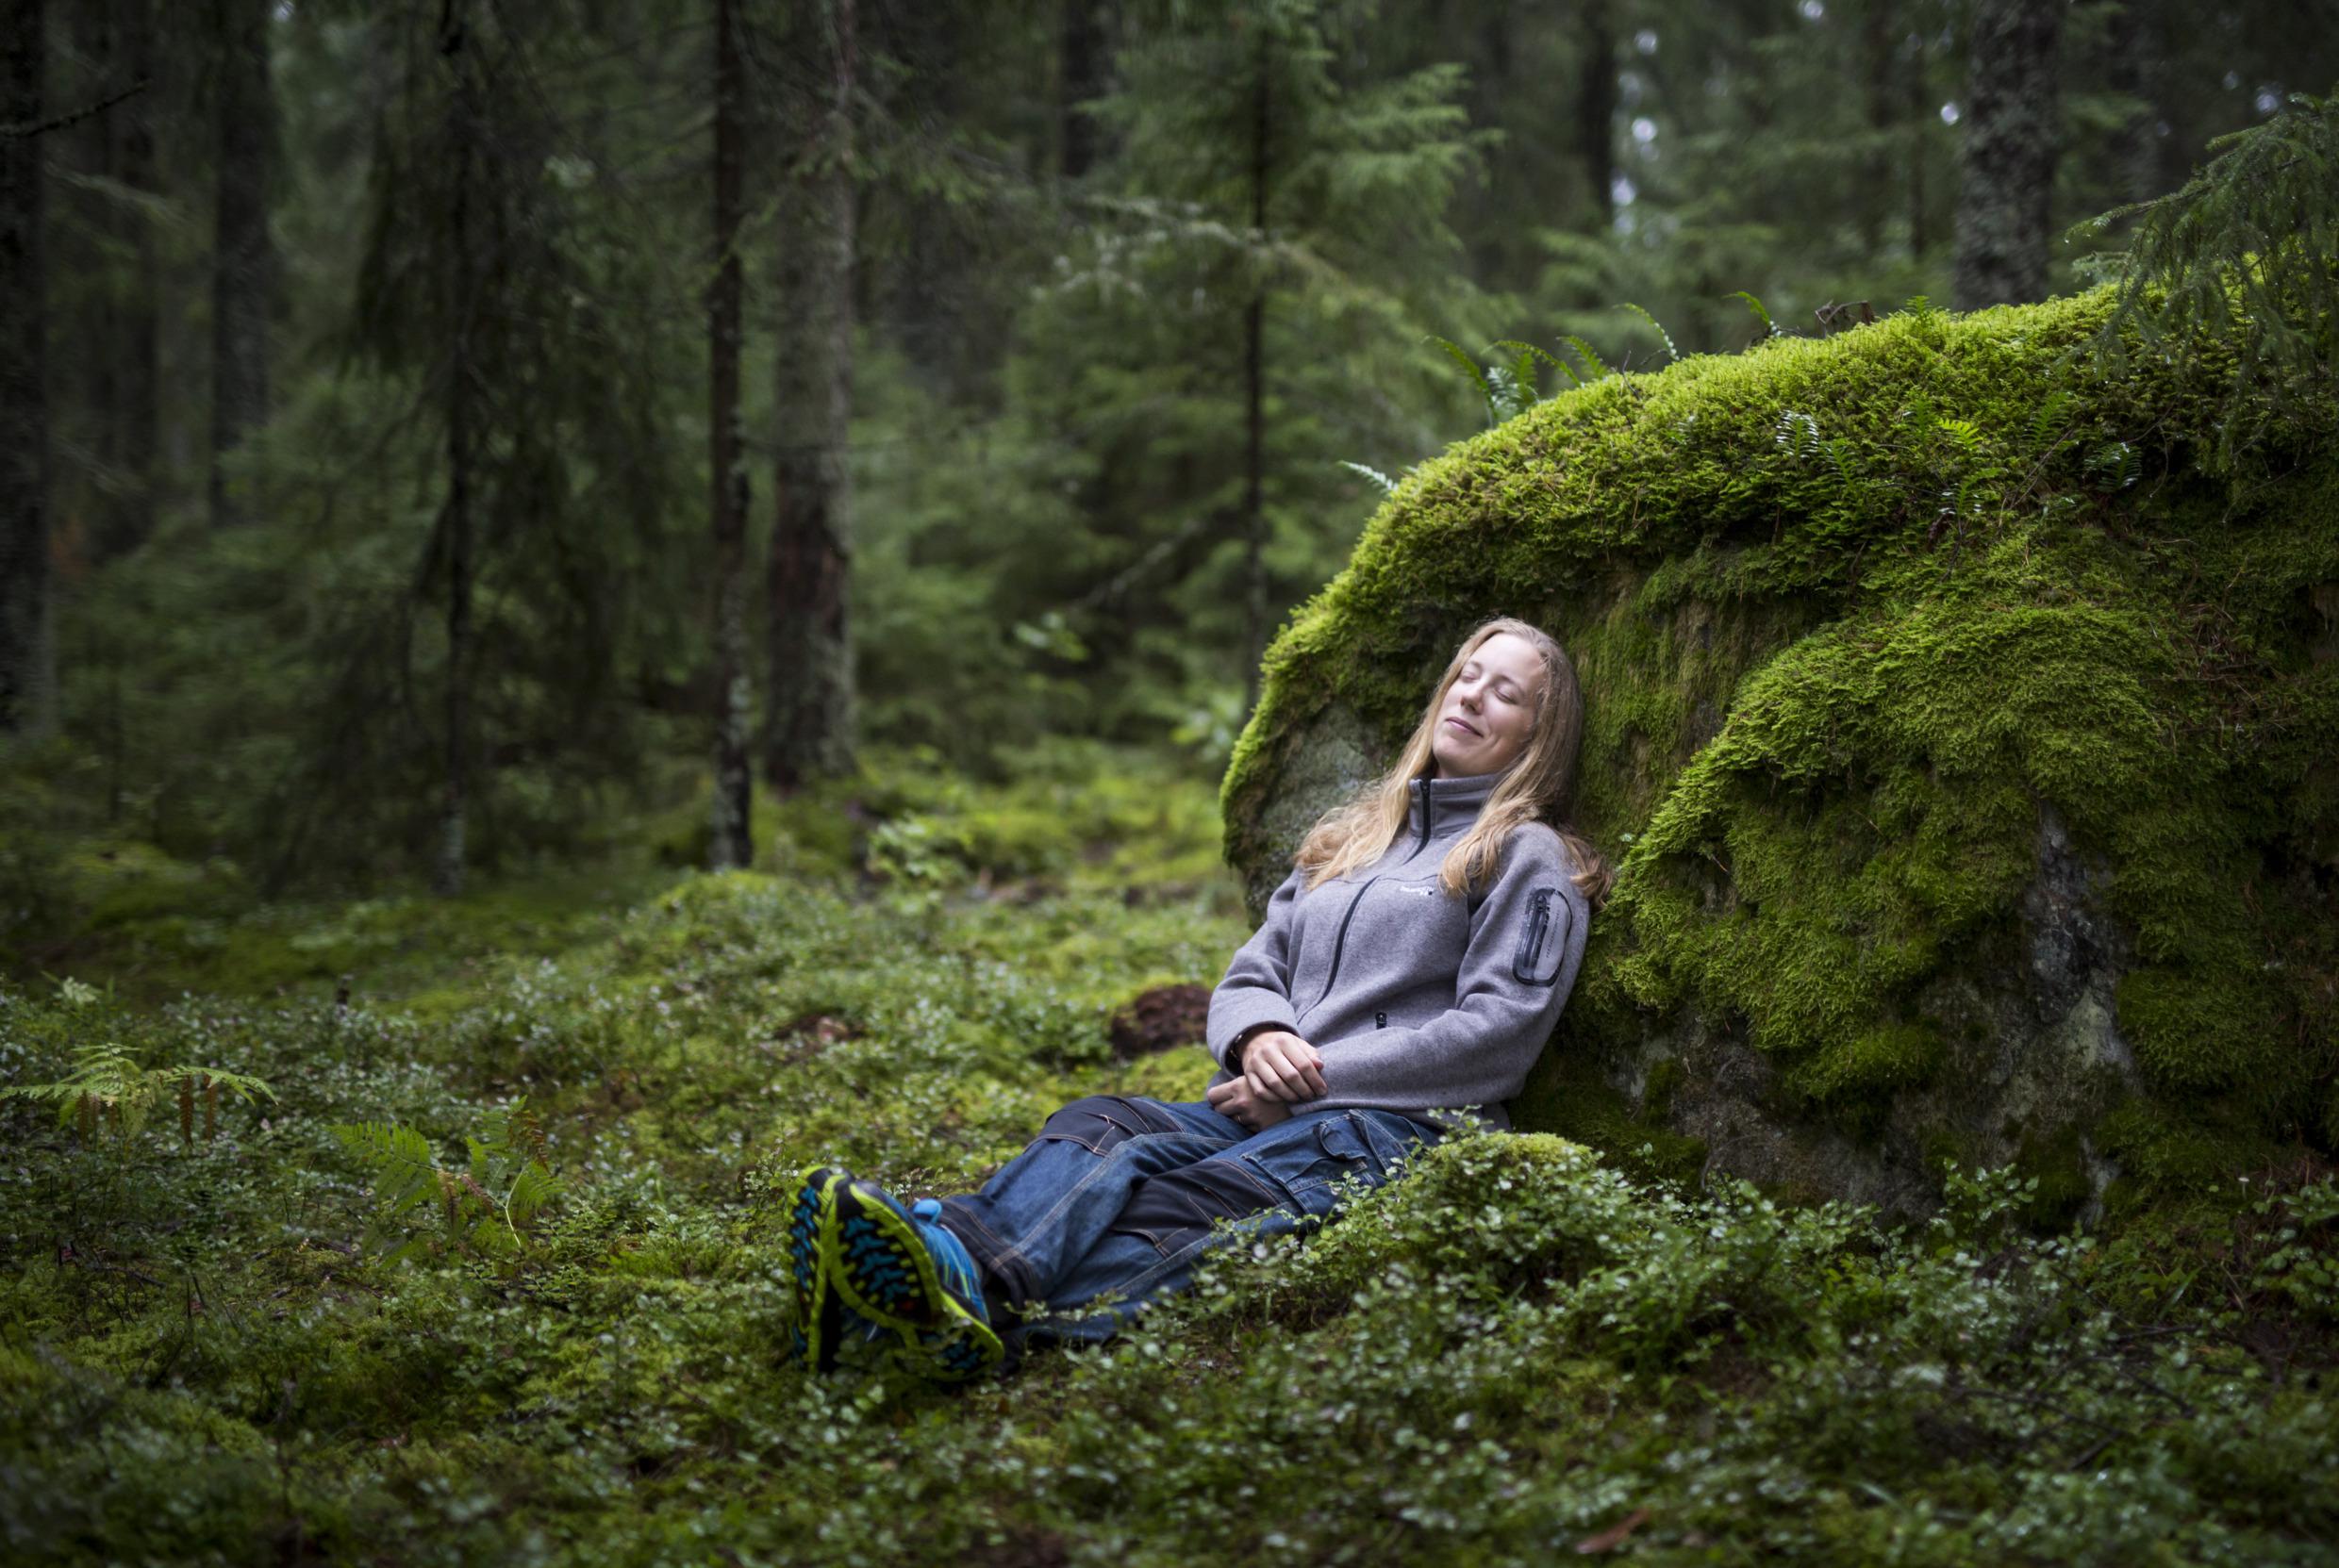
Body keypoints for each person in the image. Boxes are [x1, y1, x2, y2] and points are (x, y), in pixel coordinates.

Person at [785, 617, 1611, 1382]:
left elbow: (1498, 1035)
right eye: (1467, 675)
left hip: (1389, 1131)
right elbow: (1254, 972)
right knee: (1102, 1126)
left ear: (1539, 738)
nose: (1472, 694)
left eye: (1505, 691)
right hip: (1275, 1098)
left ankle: (918, 1312)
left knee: (1182, 1205)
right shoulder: (1356, 836)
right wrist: (1257, 1040)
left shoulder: (1526, 857)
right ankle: (950, 1268)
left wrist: (1307, 1079)